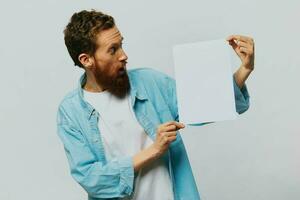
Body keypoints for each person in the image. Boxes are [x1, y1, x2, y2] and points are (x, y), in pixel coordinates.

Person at [57, 9, 254, 200]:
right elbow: (91, 179)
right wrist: (154, 150)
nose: (124, 55)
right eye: (113, 50)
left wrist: (243, 70)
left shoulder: (149, 82)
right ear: (86, 60)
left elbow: (204, 106)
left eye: (121, 45)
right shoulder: (71, 112)